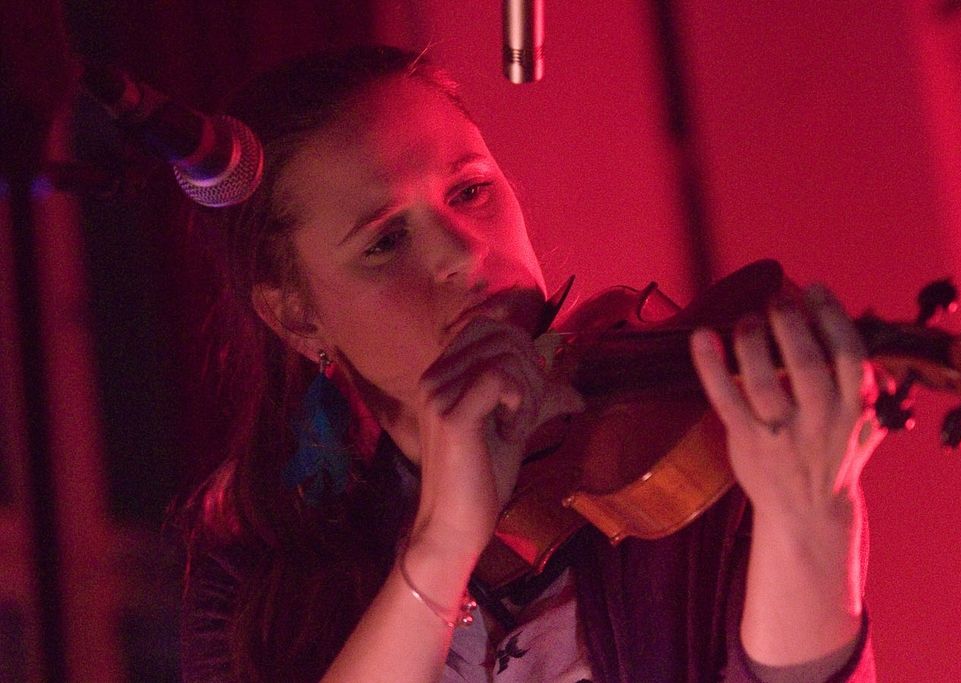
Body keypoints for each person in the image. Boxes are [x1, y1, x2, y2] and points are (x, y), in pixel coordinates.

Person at [180, 45, 881, 682]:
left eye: (470, 191)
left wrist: (813, 526)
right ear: (296, 317)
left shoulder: (693, 455)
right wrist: (442, 545)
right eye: (386, 241)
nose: (461, 252)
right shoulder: (254, 590)